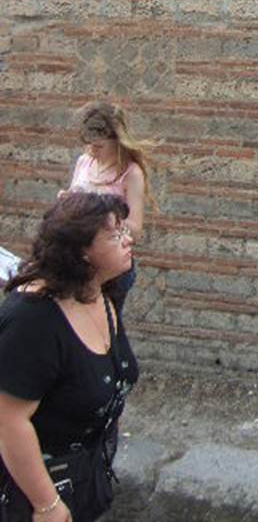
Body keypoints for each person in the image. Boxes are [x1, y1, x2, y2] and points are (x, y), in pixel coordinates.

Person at [0, 193, 138, 522]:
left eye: (124, 229)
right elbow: (9, 421)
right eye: (114, 235)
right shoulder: (32, 319)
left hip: (86, 477)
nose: (128, 239)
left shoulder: (102, 292)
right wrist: (46, 504)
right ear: (81, 252)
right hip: (31, 493)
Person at [61, 103, 153, 310]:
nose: (92, 151)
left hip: (110, 266)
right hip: (79, 261)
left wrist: (102, 217)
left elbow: (135, 230)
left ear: (116, 141)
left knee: (106, 319)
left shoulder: (131, 173)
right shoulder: (84, 162)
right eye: (89, 145)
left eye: (99, 146)